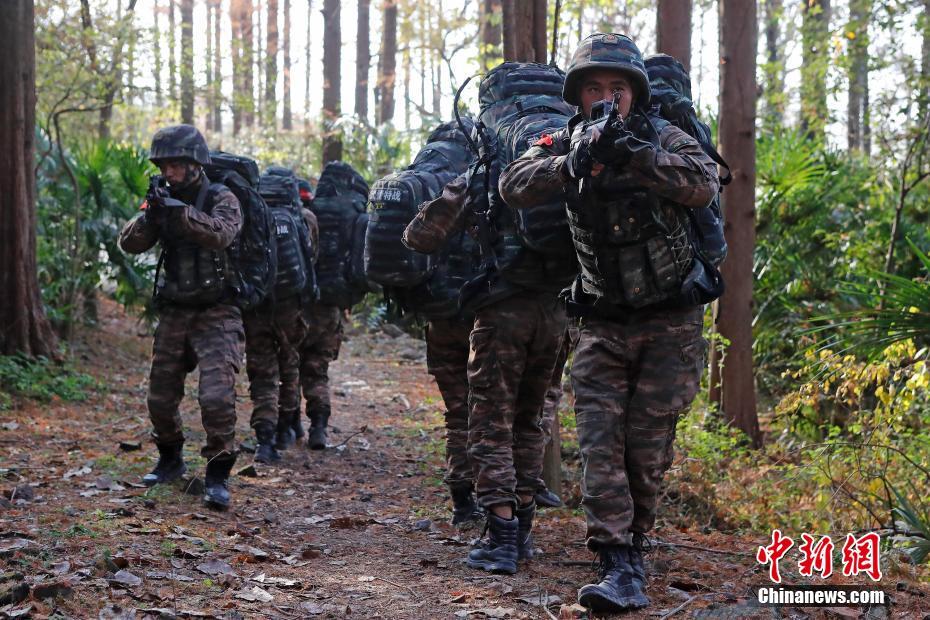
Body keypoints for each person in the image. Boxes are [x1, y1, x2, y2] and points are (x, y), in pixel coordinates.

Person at [499, 33, 720, 612]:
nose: (604, 98)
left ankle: (636, 544)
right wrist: (568, 162)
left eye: (615, 89)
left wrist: (635, 157)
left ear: (634, 95)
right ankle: (616, 561)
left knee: (646, 450)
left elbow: (702, 183)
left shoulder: (661, 135)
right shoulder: (564, 138)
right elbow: (512, 185)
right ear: (576, 96)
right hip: (599, 320)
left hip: (670, 322)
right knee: (600, 443)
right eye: (593, 88)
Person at [404, 67, 576, 573]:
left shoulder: (483, 172)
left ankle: (499, 531)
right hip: (559, 310)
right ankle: (523, 527)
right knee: (529, 419)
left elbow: (422, 236)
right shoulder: (568, 158)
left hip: (503, 310)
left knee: (490, 420)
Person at [118, 124, 244, 510]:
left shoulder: (222, 196)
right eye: (163, 166)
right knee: (160, 394)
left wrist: (182, 213)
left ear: (194, 164)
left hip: (217, 311)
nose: (168, 173)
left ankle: (218, 474)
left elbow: (223, 233)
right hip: (175, 310)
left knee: (217, 397)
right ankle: (169, 458)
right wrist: (153, 216)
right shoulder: (159, 197)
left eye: (175, 165)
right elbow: (129, 243)